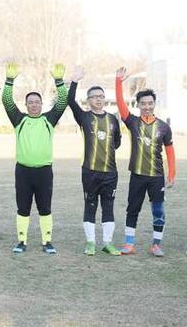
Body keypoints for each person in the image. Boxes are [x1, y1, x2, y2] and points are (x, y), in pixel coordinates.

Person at [2, 62, 68, 254]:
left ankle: (47, 241)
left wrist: (59, 81)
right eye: (30, 102)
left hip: (44, 171)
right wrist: (9, 81)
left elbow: (62, 101)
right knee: (23, 208)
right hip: (23, 171)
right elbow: (7, 101)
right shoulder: (19, 119)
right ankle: (21, 241)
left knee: (45, 208)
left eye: (36, 102)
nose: (33, 104)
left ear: (41, 104)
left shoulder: (49, 119)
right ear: (26, 105)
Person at [115, 67, 175, 257]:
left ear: (154, 104)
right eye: (143, 103)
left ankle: (156, 245)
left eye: (150, 103)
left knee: (158, 211)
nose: (147, 106)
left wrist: (171, 174)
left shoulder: (164, 127)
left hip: (156, 177)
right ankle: (129, 244)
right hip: (137, 175)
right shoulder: (132, 122)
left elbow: (170, 151)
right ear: (138, 105)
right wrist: (118, 82)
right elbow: (120, 104)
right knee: (132, 209)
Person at [67, 66, 122, 256]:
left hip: (110, 172)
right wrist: (74, 81)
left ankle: (107, 243)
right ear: (88, 100)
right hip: (89, 171)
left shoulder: (113, 120)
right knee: (90, 205)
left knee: (108, 206)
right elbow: (69, 101)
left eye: (101, 96)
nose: (98, 99)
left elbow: (117, 142)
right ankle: (90, 242)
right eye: (94, 96)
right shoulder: (84, 117)